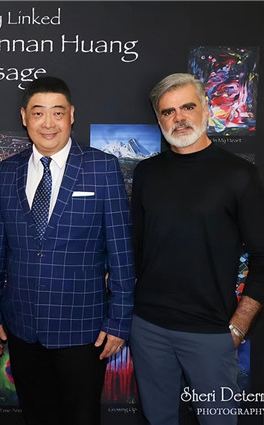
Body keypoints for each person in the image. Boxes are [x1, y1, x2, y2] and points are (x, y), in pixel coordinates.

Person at [0, 76, 135, 425]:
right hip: (22, 326)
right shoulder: (8, 171)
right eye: (38, 113)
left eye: (58, 113)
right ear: (25, 117)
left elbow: (121, 252)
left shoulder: (102, 168)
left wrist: (119, 321)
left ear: (71, 116)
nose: (48, 123)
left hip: (83, 328)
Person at [129, 73, 264, 425]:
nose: (179, 117)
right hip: (148, 328)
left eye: (187, 107)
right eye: (168, 111)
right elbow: (134, 249)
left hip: (211, 332)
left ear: (205, 108)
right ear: (159, 119)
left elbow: (263, 257)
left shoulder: (240, 174)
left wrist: (239, 326)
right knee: (157, 419)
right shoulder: (146, 173)